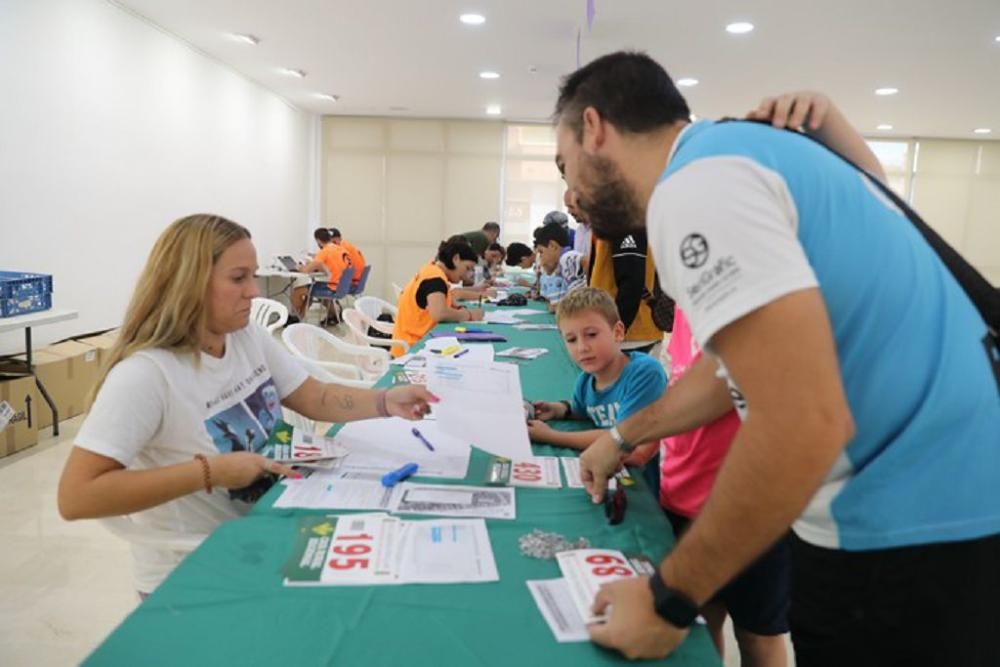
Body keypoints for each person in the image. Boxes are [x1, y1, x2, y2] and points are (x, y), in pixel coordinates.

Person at [554, 51, 999, 665]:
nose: (571, 189)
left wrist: (667, 601)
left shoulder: (696, 188)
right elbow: (734, 368)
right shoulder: (742, 154)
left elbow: (799, 420)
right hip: (936, 513)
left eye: (566, 161)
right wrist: (625, 433)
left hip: (904, 530)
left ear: (595, 128)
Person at [57, 214, 437, 597]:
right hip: (202, 571)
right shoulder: (146, 375)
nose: (254, 291)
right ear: (188, 284)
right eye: (239, 278)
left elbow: (313, 397)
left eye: (253, 276)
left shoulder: (244, 336)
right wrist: (211, 472)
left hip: (272, 521)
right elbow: (76, 496)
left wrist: (386, 400)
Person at [658, 308, 790, 666]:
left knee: (759, 636)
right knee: (703, 621)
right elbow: (681, 381)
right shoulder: (685, 305)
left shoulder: (744, 298)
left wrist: (624, 436)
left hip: (751, 513)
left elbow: (723, 385)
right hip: (684, 496)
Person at [527, 288, 665, 475]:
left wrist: (551, 436)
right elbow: (584, 410)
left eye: (591, 334)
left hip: (651, 487)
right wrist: (560, 409)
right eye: (571, 339)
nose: (582, 347)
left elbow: (623, 440)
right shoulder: (585, 381)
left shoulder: (645, 373)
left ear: (617, 332)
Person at [391, 239, 484, 357]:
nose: (467, 275)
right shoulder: (435, 279)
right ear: (456, 259)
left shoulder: (431, 270)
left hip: (413, 342)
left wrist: (455, 307)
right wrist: (469, 315)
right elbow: (439, 313)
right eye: (467, 268)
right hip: (412, 349)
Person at [587, 228, 662, 355]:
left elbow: (631, 284)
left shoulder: (623, 220)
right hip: (621, 332)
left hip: (630, 336)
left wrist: (613, 332)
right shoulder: (607, 221)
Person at [291, 228, 352, 320]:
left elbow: (306, 270)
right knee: (310, 292)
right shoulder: (341, 249)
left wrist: (299, 267)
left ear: (318, 241)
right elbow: (331, 266)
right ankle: (299, 318)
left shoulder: (324, 251)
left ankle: (295, 317)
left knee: (297, 291)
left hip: (334, 287)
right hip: (343, 286)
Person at [533, 223, 585, 311]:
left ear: (552, 246)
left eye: (541, 252)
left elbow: (589, 263)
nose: (541, 257)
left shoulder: (567, 257)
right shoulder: (559, 265)